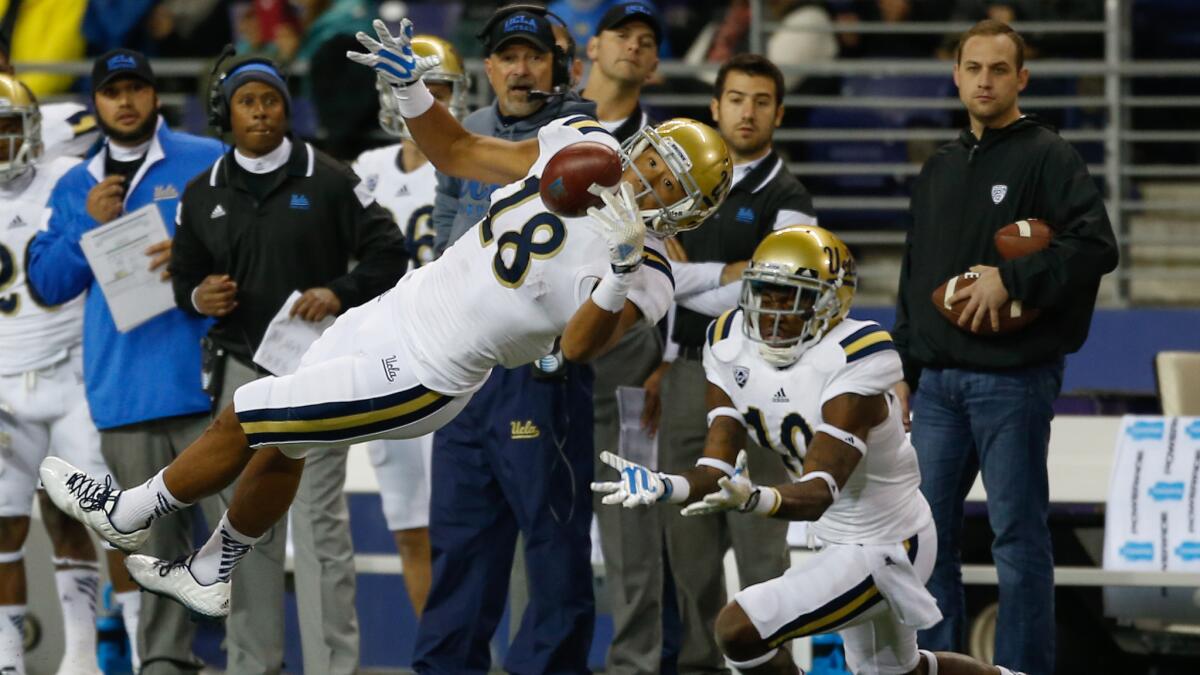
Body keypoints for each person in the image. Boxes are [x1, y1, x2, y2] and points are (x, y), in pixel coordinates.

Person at [39, 16, 732, 630]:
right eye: (651, 158)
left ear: (685, 211)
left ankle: (129, 511)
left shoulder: (650, 271)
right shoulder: (579, 142)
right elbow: (459, 152)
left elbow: (579, 346)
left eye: (668, 183)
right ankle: (212, 570)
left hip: (428, 370)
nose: (645, 177)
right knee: (287, 445)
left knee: (252, 409)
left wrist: (615, 269)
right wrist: (412, 94)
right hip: (395, 312)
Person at [594, 225, 1030, 675]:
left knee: (739, 628)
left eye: (790, 297)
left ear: (829, 303)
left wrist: (753, 498)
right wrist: (668, 486)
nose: (771, 311)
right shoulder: (727, 343)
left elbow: (820, 490)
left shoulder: (855, 354)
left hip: (891, 541)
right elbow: (715, 465)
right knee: (903, 673)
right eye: (764, 292)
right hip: (840, 539)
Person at [891, 20, 1118, 675]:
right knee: (926, 541)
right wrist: (904, 368)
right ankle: (938, 665)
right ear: (956, 75)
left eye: (999, 69)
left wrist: (1011, 276)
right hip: (935, 386)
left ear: (1022, 78)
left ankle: (1020, 670)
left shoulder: (1048, 154)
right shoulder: (937, 165)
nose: (984, 80)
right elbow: (914, 277)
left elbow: (1098, 246)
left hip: (1013, 381)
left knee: (1018, 539)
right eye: (973, 68)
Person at [171, 54, 408, 674]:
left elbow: (391, 254)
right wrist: (199, 297)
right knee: (240, 527)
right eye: (248, 102)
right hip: (239, 371)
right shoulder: (202, 194)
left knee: (320, 522)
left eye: (271, 100)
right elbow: (184, 278)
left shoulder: (331, 178)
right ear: (227, 112)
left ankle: (335, 667)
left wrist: (339, 291)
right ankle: (253, 665)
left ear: (287, 108)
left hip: (318, 374)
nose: (261, 112)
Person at [411, 7, 618, 671]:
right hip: (463, 368)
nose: (521, 68)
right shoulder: (465, 132)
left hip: (540, 369)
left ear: (557, 67)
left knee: (554, 547)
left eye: (534, 56)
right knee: (460, 545)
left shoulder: (584, 142)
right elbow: (446, 216)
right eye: (508, 56)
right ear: (490, 67)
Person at [25, 49, 228, 675]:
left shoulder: (204, 159)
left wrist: (195, 257)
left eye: (137, 87)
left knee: (240, 542)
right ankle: (163, 663)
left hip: (208, 385)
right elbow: (49, 284)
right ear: (96, 103)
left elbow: (248, 246)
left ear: (154, 96)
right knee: (152, 551)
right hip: (125, 391)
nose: (127, 101)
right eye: (113, 91)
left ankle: (254, 660)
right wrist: (92, 229)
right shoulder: (75, 185)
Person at [651, 52, 817, 675]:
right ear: (714, 108)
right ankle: (698, 665)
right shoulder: (684, 181)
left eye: (761, 101)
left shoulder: (790, 196)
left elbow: (769, 293)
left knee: (760, 555)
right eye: (737, 99)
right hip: (688, 371)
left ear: (779, 112)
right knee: (687, 549)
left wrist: (682, 274)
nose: (748, 112)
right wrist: (720, 276)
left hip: (763, 382)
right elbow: (653, 278)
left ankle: (771, 671)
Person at [0, 72, 123, 675]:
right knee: (3, 529)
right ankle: (8, 661)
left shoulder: (68, 178)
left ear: (31, 130)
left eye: (7, 129)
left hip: (72, 371)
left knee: (98, 517)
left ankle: (90, 655)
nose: (1, 144)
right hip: (1, 381)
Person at [350, 34, 470, 616]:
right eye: (414, 87)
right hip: (388, 351)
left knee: (465, 523)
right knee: (409, 524)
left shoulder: (471, 159)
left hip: (457, 350)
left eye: (438, 89)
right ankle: (435, 648)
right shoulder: (367, 168)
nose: (425, 98)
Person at [577, 4, 671, 673]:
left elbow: (683, 259)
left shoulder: (668, 148)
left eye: (647, 42)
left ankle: (635, 663)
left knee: (633, 522)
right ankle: (545, 659)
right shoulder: (553, 128)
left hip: (633, 361)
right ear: (591, 45)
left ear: (656, 63)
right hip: (545, 352)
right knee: (541, 524)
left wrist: (669, 356)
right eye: (623, 36)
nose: (634, 48)